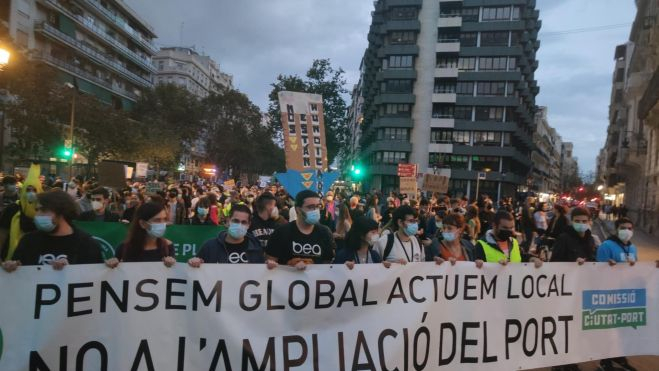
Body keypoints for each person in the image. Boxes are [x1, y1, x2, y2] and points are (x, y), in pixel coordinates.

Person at [1, 189, 103, 272]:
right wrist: (10, 268)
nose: (37, 215)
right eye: (37, 210)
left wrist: (71, 272)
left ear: (61, 212)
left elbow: (95, 280)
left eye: (43, 210)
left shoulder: (87, 244)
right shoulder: (28, 241)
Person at [594, 217, 638, 371]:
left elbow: (636, 270)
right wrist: (607, 266)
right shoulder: (606, 246)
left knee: (623, 329)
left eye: (629, 228)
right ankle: (604, 360)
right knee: (608, 329)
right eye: (623, 228)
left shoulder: (633, 248)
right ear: (617, 229)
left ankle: (619, 356)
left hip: (626, 295)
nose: (626, 231)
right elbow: (597, 269)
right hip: (609, 294)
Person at [265, 190, 335, 270]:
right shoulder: (281, 232)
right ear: (298, 209)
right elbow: (271, 261)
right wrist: (288, 266)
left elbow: (327, 265)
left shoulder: (325, 232)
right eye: (310, 207)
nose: (315, 210)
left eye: (318, 206)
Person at [189, 204, 265, 265]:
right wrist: (194, 262)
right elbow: (195, 273)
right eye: (236, 221)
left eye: (244, 222)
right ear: (228, 221)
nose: (239, 225)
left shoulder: (256, 248)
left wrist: (270, 267)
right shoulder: (210, 247)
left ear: (249, 225)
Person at [106, 202, 176, 266]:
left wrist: (171, 264)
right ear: (142, 223)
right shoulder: (124, 248)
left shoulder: (168, 246)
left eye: (164, 219)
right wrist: (112, 265)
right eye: (157, 220)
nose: (162, 224)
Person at [0, 164, 42, 261]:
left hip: (36, 258)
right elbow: (2, 234)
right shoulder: (12, 209)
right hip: (11, 259)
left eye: (34, 190)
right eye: (28, 190)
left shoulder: (44, 211)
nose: (31, 193)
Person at [474, 210, 542, 268]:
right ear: (494, 225)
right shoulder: (481, 245)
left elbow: (521, 256)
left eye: (511, 227)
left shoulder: (514, 242)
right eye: (505, 228)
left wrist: (532, 259)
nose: (509, 231)